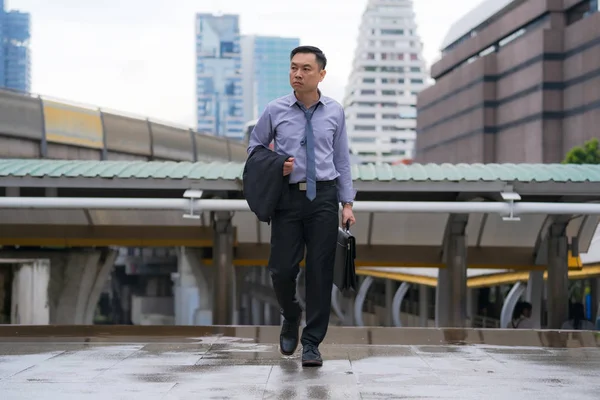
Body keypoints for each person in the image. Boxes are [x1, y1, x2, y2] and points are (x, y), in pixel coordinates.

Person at [247, 45, 356, 367]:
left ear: (321, 74)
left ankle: (311, 343)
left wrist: (347, 203)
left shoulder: (335, 111)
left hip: (323, 197)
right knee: (281, 269)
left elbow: (341, 160)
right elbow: (254, 148)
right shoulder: (275, 109)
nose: (298, 73)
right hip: (288, 199)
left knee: (320, 273)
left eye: (306, 68)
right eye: (294, 67)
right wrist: (276, 163)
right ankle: (291, 314)